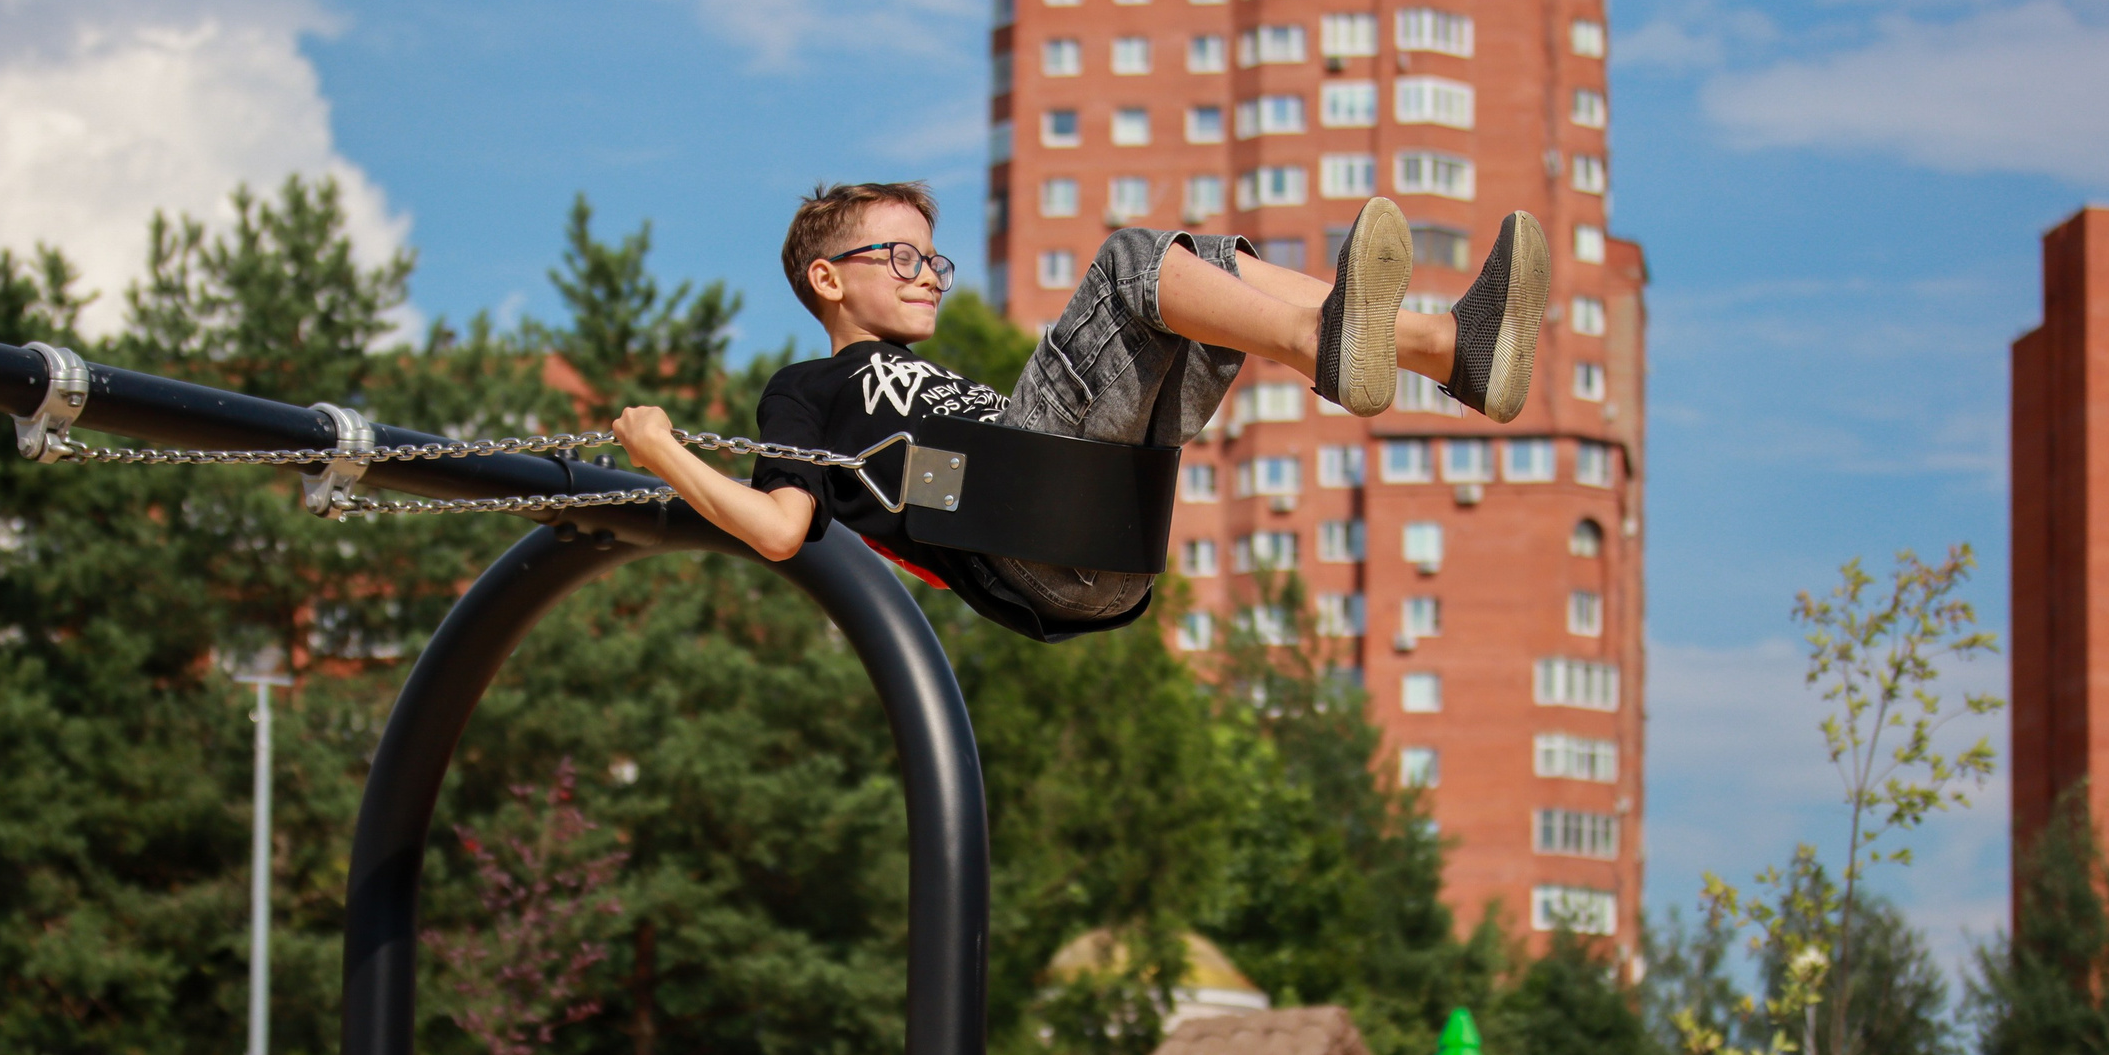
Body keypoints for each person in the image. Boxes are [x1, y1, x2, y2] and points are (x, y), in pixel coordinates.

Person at [612, 180, 1548, 642]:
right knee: (1131, 265)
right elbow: (780, 529)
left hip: (1106, 532)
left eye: (932, 260)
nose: (926, 277)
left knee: (1205, 266)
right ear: (825, 279)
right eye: (900, 258)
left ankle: (1445, 349)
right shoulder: (807, 390)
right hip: (1027, 532)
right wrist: (661, 450)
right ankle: (1328, 344)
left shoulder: (942, 381)